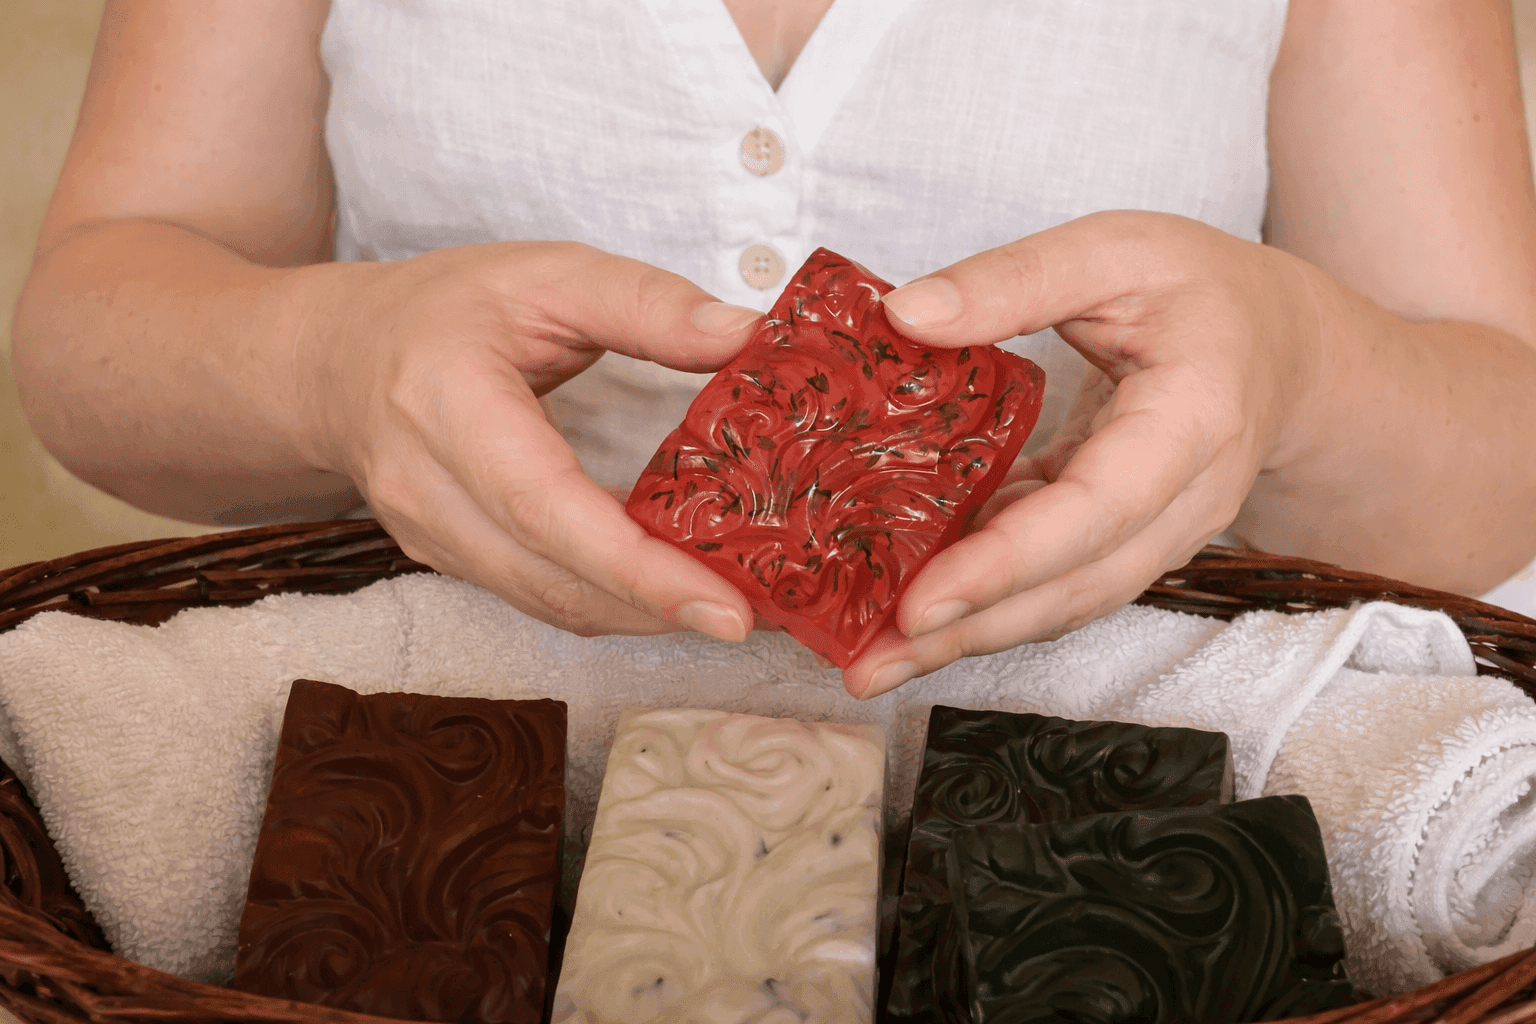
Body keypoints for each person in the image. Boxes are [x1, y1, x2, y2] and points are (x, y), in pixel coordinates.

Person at [13, 0, 1536, 701]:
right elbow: (94, 324)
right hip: (443, 727)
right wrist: (329, 362)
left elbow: (1499, 448)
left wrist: (1294, 370)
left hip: (1150, 739)